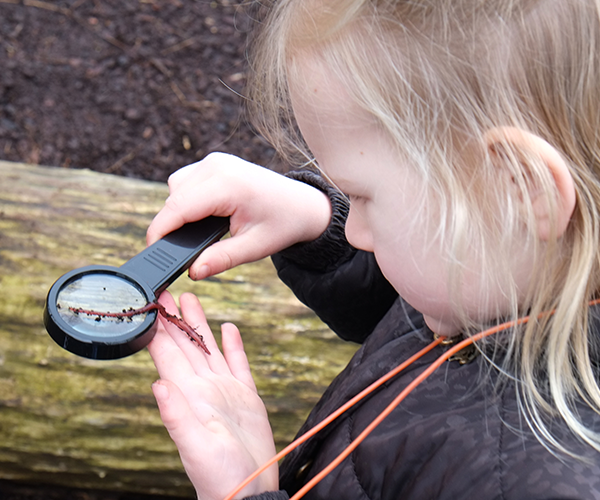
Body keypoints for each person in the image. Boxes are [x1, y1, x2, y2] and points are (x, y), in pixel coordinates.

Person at [145, 0, 600, 498]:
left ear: (521, 187)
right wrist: (321, 225)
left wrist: (244, 493)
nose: (357, 229)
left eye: (361, 196)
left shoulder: (523, 485)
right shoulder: (503, 275)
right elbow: (411, 308)